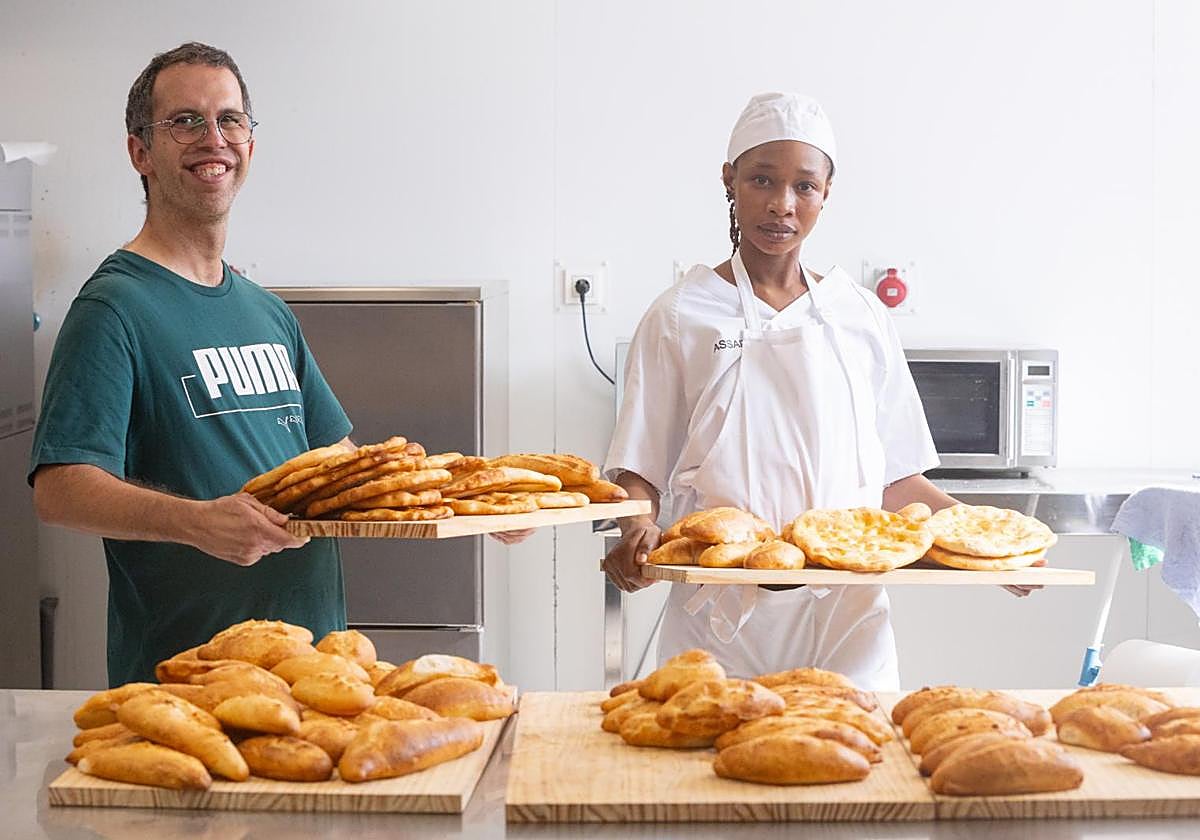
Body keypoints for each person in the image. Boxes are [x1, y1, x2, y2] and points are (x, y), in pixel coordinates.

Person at [601, 92, 1035, 690]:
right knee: (706, 769)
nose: (782, 205)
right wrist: (635, 532)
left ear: (827, 192)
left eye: (804, 187)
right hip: (719, 616)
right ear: (729, 181)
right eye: (761, 180)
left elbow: (897, 480)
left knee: (856, 768)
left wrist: (985, 542)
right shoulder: (680, 314)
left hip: (847, 613)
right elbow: (638, 469)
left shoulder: (858, 314)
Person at [29, 43, 356, 686]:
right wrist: (200, 522)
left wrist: (471, 507)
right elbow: (60, 488)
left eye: (230, 120)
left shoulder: (266, 311)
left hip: (314, 669)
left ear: (250, 146)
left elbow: (341, 465)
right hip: (187, 683)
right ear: (140, 152)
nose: (214, 138)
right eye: (186, 121)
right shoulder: (112, 308)